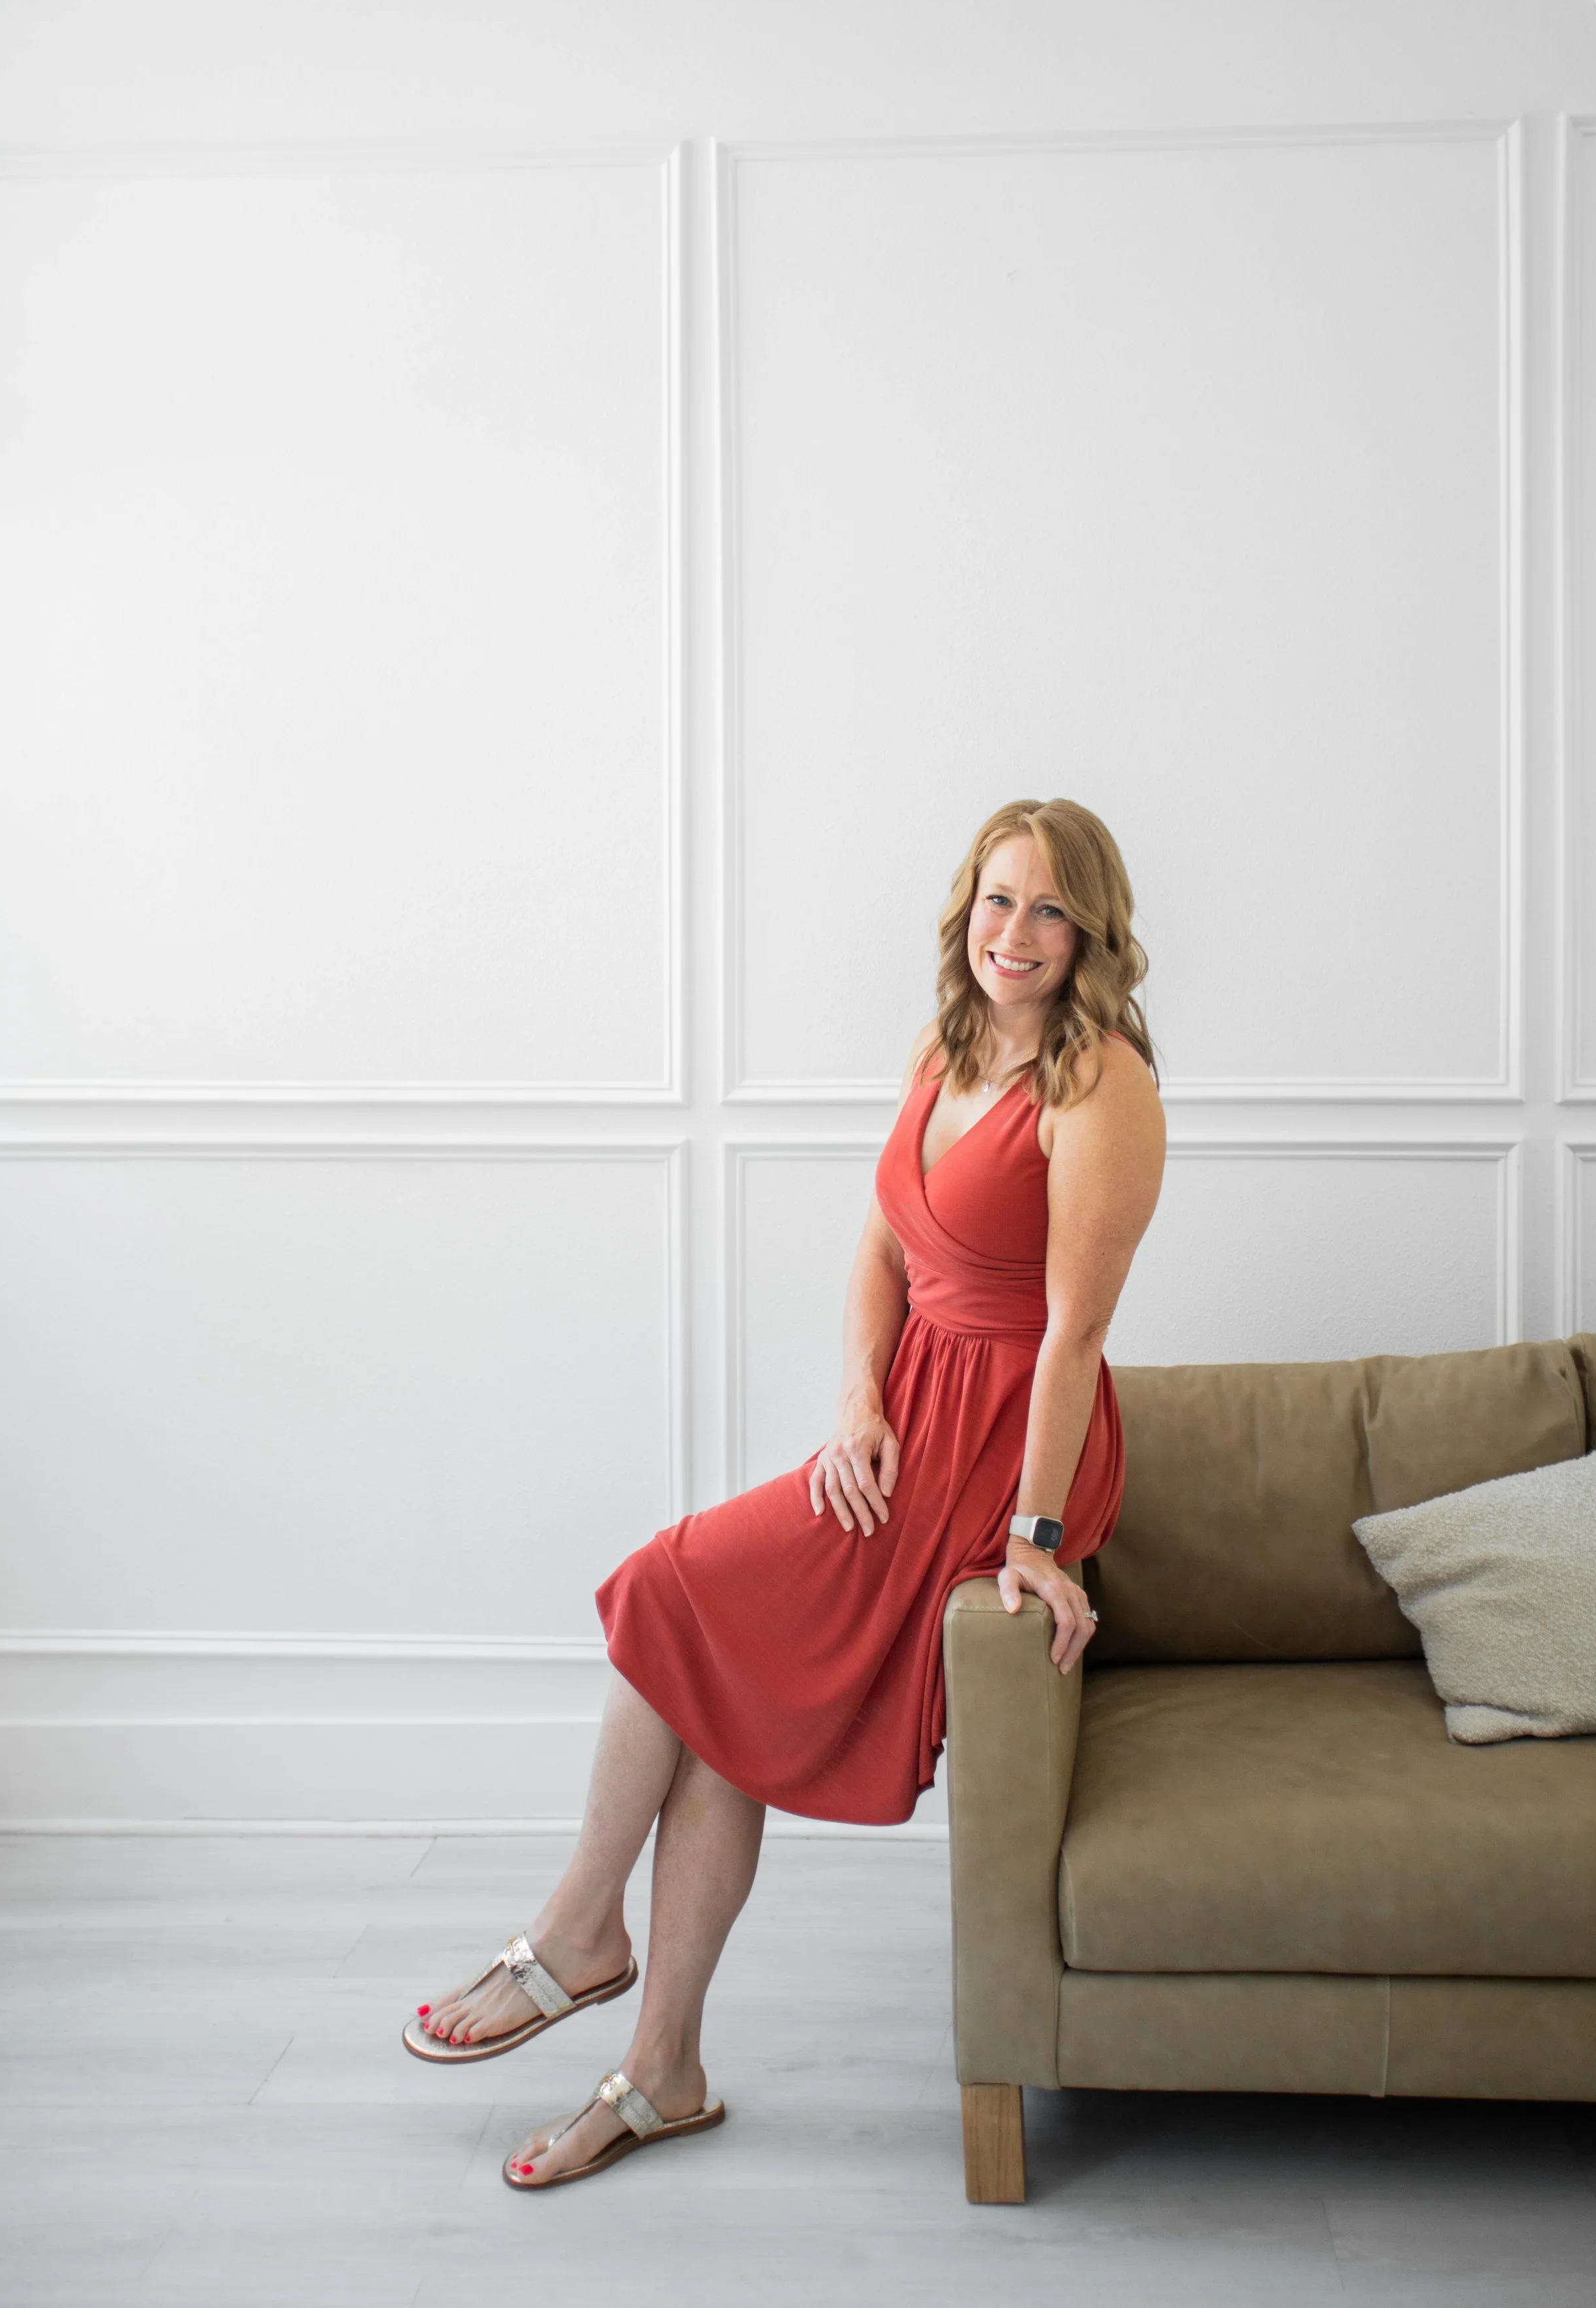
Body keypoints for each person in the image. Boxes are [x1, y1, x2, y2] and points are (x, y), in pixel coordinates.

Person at [403, 797, 1166, 2191]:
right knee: (714, 1707)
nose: (1016, 933)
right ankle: (661, 2071)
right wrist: (858, 1402)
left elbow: (1071, 1334)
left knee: (666, 1584)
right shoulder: (943, 1051)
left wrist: (1034, 1535)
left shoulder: (1098, 1082)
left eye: (1049, 909)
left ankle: (581, 1929)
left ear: (1091, 930)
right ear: (964, 913)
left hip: (1000, 1436)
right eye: (997, 900)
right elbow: (884, 1238)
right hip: (912, 1408)